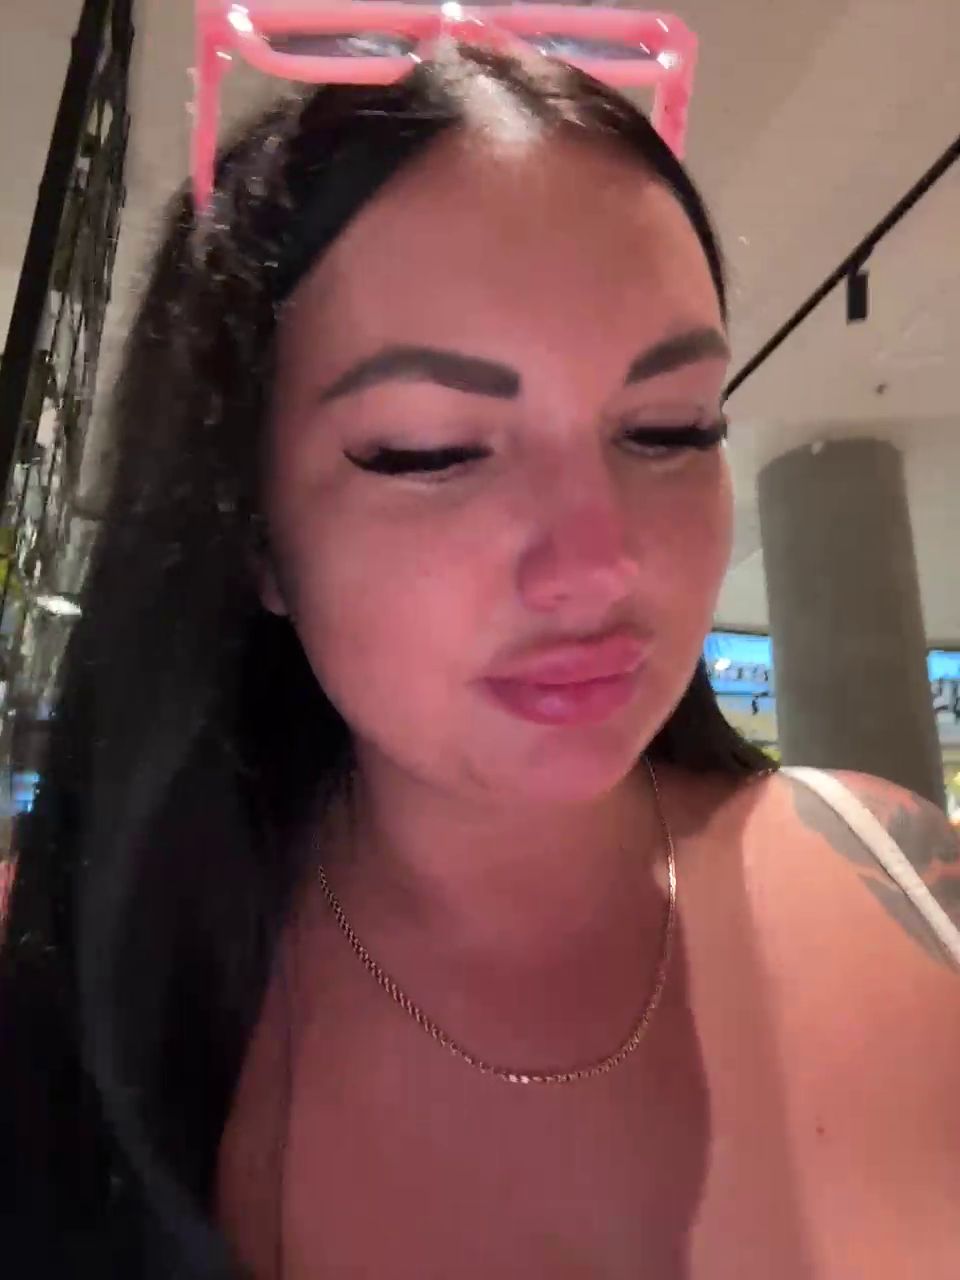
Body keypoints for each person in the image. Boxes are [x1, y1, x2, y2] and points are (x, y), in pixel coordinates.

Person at [1, 41, 958, 1280]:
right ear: (250, 531)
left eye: (670, 428)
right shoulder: (62, 988)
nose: (598, 563)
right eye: (432, 450)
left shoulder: (908, 884)